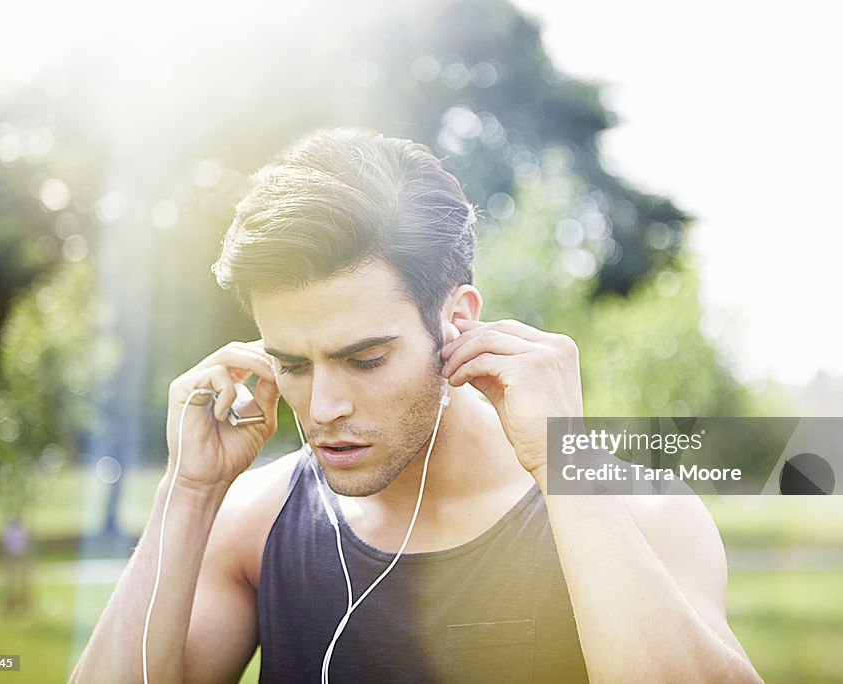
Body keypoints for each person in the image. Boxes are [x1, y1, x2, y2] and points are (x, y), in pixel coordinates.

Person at [70, 129, 760, 682]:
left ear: (456, 321)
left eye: (365, 359)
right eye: (291, 364)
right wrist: (187, 493)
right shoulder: (256, 521)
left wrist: (563, 465)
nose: (325, 407)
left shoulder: (641, 514)